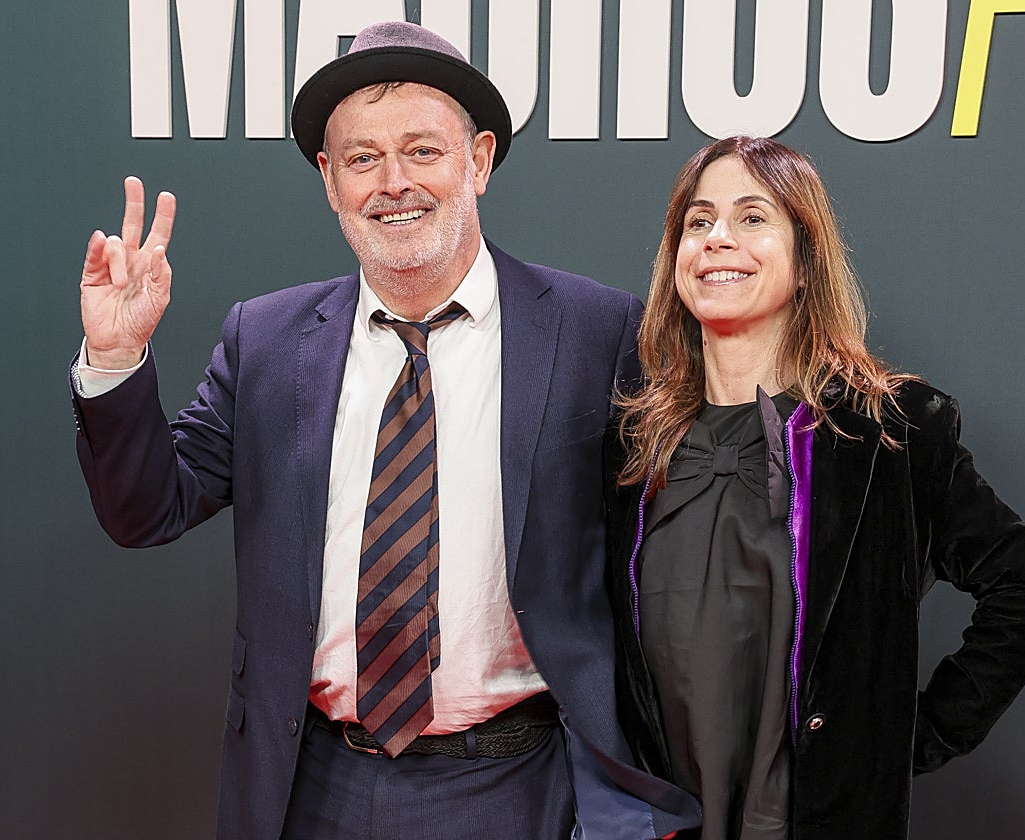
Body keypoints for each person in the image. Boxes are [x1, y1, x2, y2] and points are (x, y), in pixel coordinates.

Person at [70, 20, 695, 840]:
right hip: (308, 785)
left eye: (422, 151)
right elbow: (145, 510)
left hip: (519, 784)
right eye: (363, 158)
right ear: (331, 181)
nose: (392, 182)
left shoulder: (597, 332)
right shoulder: (264, 339)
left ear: (477, 160)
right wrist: (115, 357)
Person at [607, 135, 1025, 840]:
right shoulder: (628, 445)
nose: (718, 239)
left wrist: (896, 743)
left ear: (806, 257)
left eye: (752, 217)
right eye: (698, 222)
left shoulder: (891, 433)